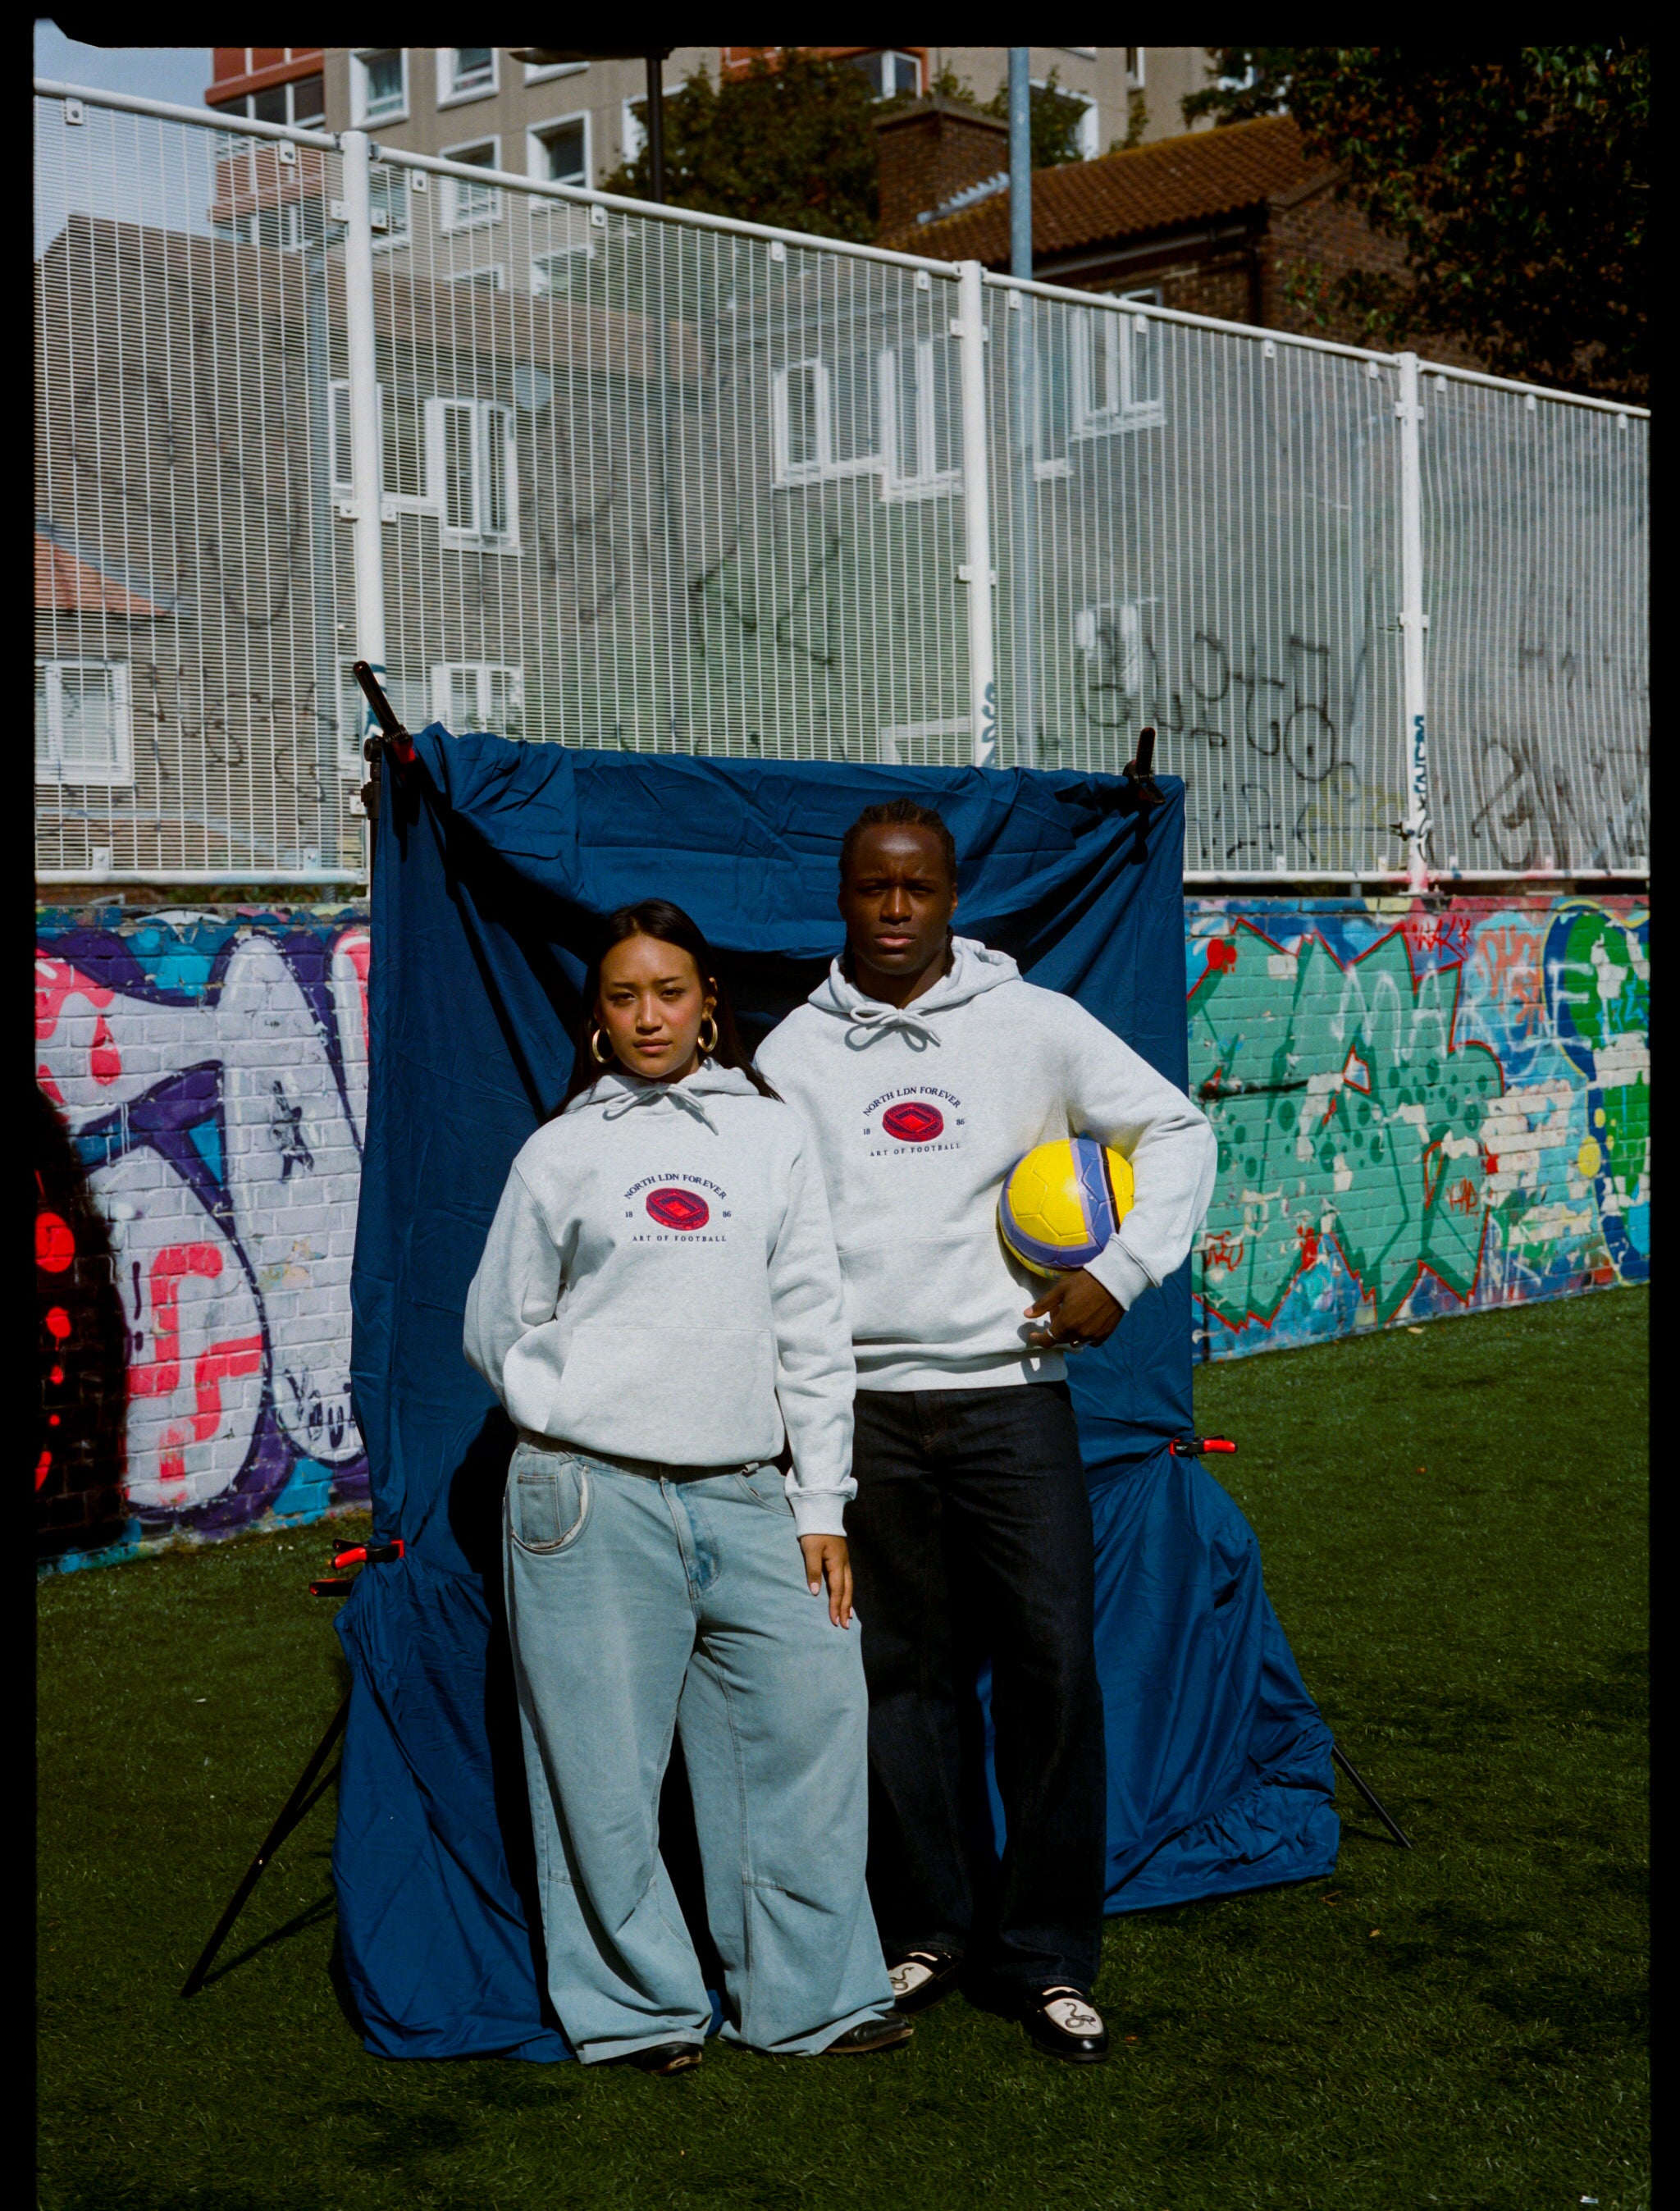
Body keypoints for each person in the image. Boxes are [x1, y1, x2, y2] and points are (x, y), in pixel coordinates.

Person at [756, 800, 1217, 2064]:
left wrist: (1122, 1271)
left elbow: (1178, 1130)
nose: (896, 909)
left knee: (1050, 1669)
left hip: (1013, 1398)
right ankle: (929, 1927)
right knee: (895, 1682)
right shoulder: (794, 1054)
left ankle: (1050, 1952)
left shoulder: (1035, 1024)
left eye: (919, 887)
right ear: (843, 898)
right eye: (873, 887)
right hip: (865, 1408)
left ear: (954, 897)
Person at [463, 901, 906, 2074]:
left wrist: (822, 1503)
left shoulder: (770, 1136)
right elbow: (496, 1325)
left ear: (709, 1002)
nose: (649, 1016)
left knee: (808, 1735)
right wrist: (584, 1406)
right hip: (588, 1499)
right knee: (602, 1773)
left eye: (670, 992)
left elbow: (814, 1329)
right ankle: (638, 2011)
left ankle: (809, 2000)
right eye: (624, 997)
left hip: (751, 1493)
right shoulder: (559, 1152)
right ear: (598, 1020)